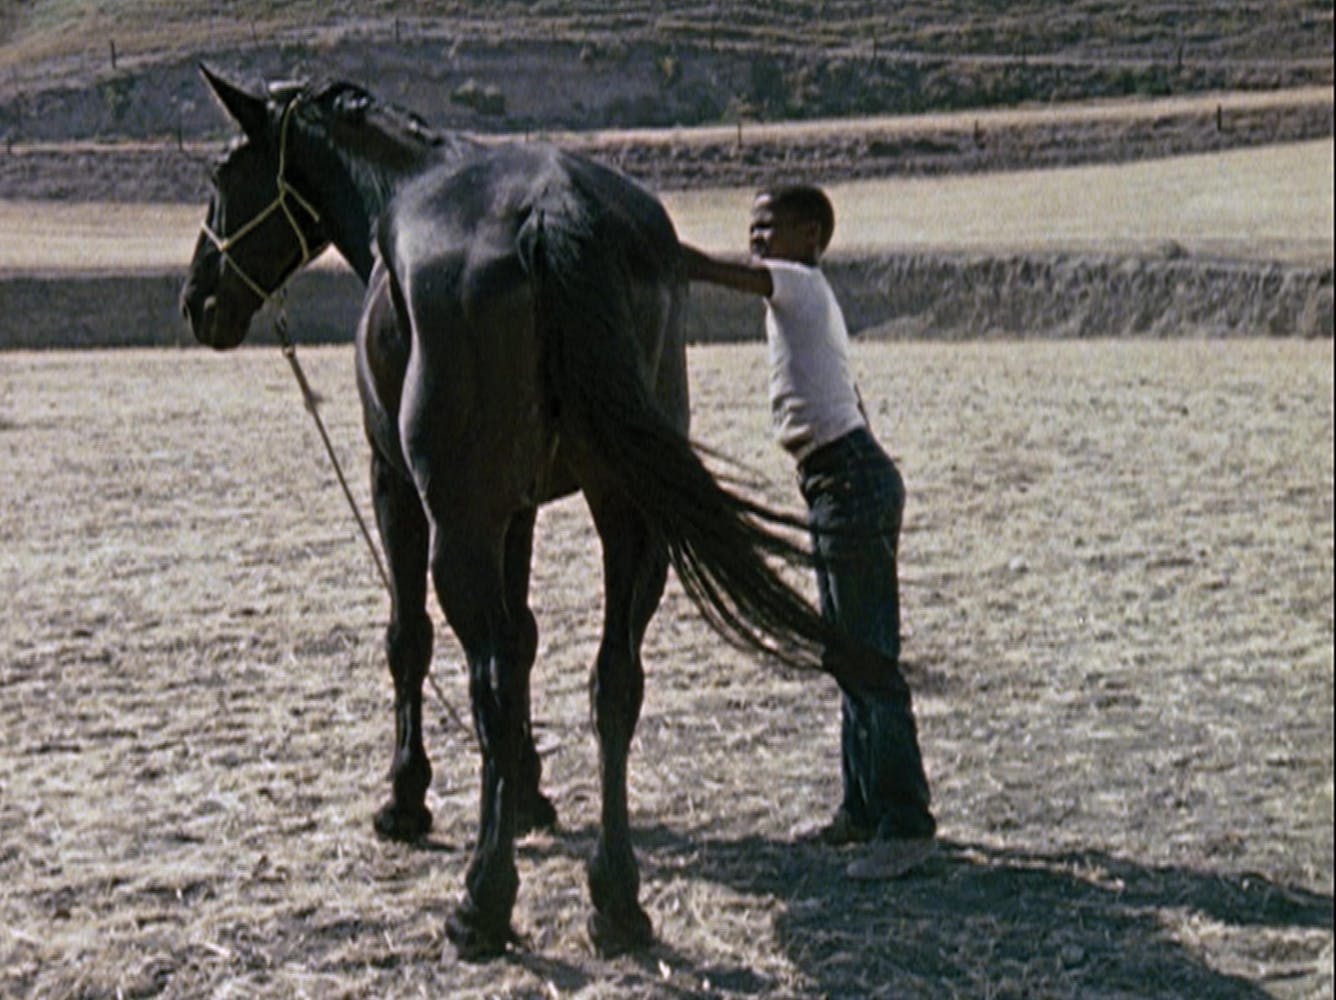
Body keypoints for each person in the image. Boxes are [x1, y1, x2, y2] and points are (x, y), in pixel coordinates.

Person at [680, 184, 936, 880]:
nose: (757, 238)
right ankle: (861, 811)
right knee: (848, 657)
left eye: (771, 228)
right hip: (840, 480)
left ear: (811, 238)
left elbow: (716, 273)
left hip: (848, 483)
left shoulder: (795, 283)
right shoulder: (802, 295)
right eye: (751, 227)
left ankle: (906, 824)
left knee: (869, 661)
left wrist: (657, 250)